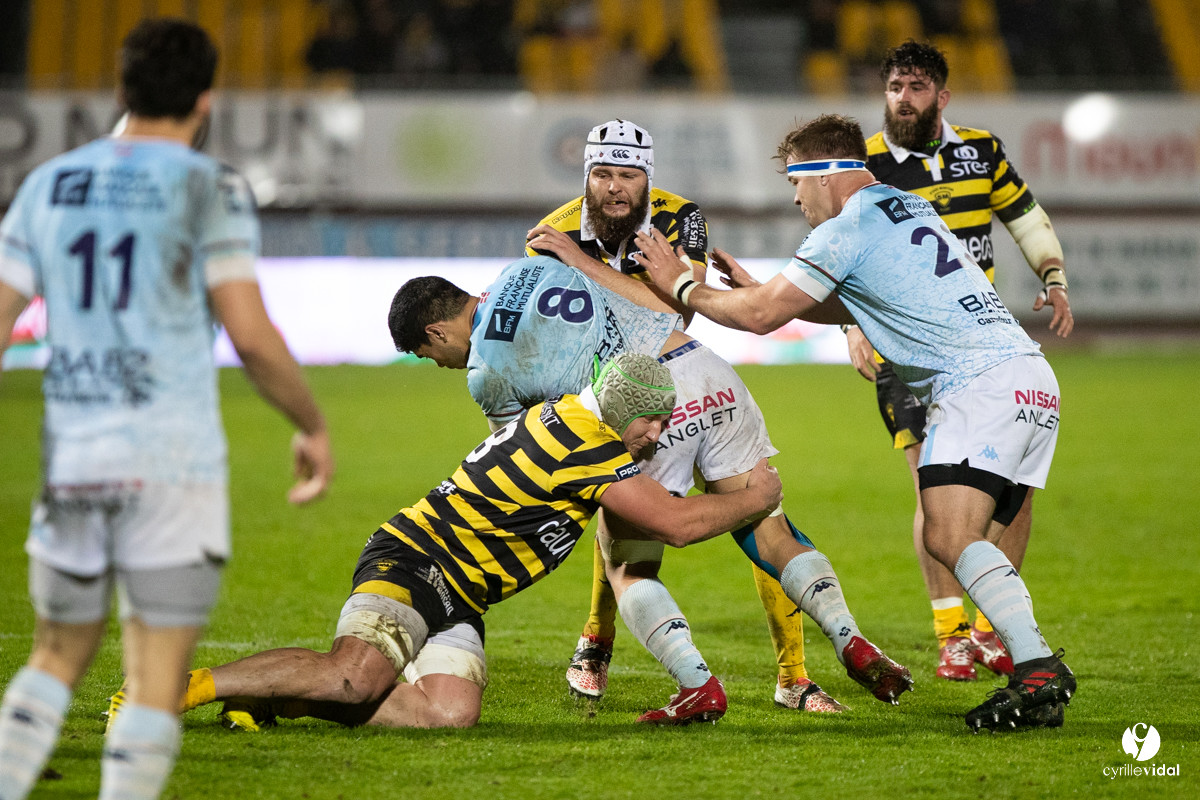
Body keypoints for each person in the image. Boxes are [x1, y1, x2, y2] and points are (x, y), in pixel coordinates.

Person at [634, 114, 1076, 732]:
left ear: (827, 174)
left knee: (947, 537)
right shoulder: (906, 206)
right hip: (1032, 382)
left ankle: (1036, 668)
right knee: (970, 539)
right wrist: (772, 291)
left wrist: (682, 285)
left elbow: (761, 318)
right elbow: (859, 297)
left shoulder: (848, 225)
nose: (795, 198)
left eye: (796, 182)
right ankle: (1035, 674)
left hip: (980, 388)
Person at [0, 18, 333, 800]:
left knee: (54, 656)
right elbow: (249, 335)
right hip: (171, 467)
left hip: (74, 459)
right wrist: (310, 424)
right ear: (206, 100)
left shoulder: (50, 183)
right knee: (155, 675)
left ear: (119, 90)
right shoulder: (206, 187)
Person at [389, 256, 912, 716]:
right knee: (770, 533)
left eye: (426, 353)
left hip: (636, 407)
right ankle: (852, 639)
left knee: (627, 566)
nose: (437, 363)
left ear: (437, 331)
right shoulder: (526, 270)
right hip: (703, 368)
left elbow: (538, 449)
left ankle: (696, 684)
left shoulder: (485, 373)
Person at [171, 353, 783, 730]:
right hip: (418, 560)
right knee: (353, 680)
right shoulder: (588, 447)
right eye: (655, 421)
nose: (658, 436)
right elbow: (673, 525)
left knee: (447, 715)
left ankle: (274, 698)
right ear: (628, 412)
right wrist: (755, 499)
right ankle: (185, 687)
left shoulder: (569, 416)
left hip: (460, 592)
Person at [524, 119, 843, 713]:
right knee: (623, 516)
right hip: (611, 389)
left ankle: (793, 676)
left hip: (690, 375)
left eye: (628, 175)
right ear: (586, 175)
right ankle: (597, 642)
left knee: (758, 511)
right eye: (602, 174)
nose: (615, 188)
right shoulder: (552, 232)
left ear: (648, 178)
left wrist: (584, 265)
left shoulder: (680, 217)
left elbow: (675, 315)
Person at [851, 39, 1074, 683]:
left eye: (918, 86)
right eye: (895, 85)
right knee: (932, 479)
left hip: (987, 347)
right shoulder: (865, 164)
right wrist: (853, 329)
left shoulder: (981, 150)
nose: (904, 97)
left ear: (941, 97)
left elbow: (1024, 216)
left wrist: (1053, 276)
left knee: (1016, 491)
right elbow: (840, 249)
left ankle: (991, 631)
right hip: (910, 351)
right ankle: (951, 631)